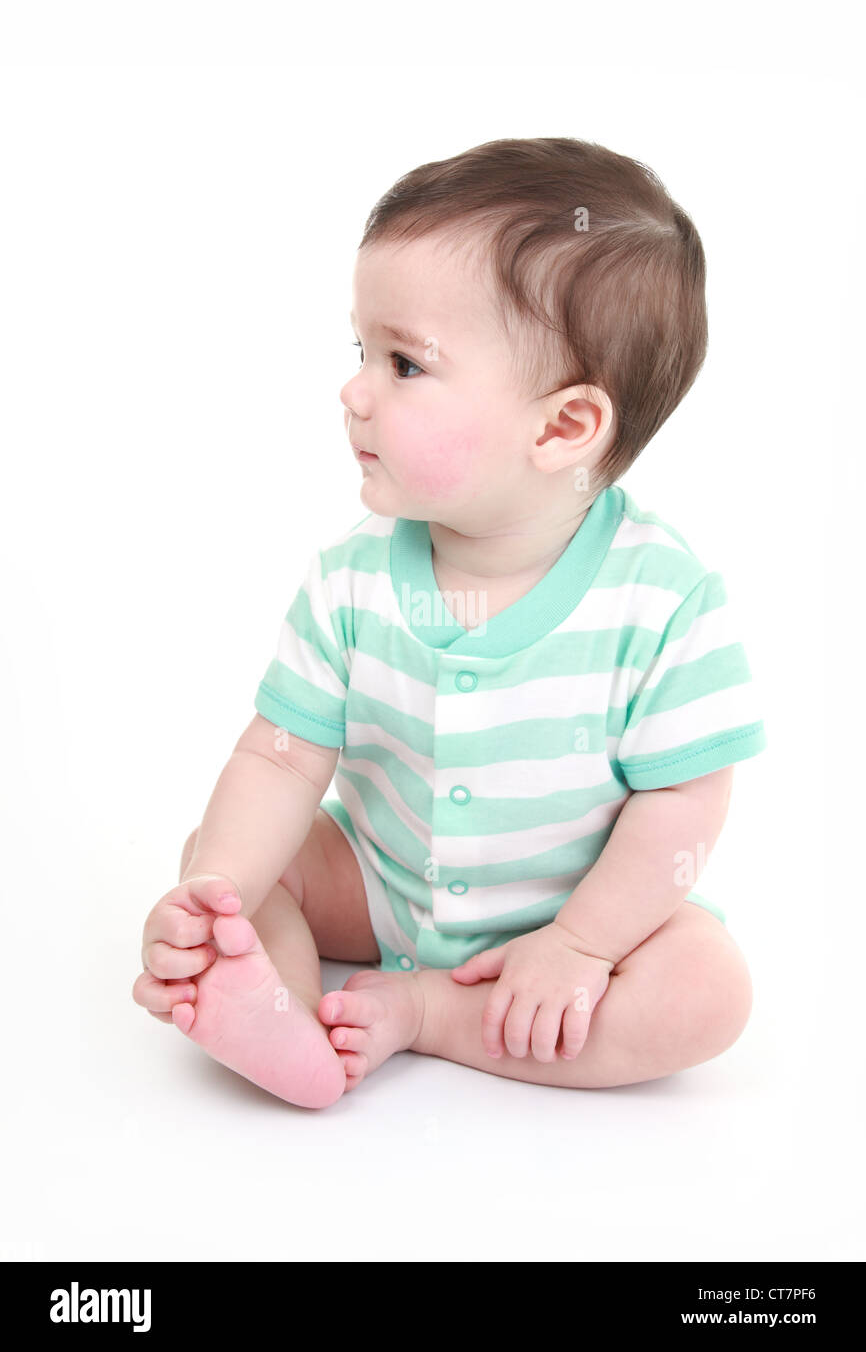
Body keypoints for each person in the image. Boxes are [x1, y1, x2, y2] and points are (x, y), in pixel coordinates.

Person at [133, 137, 767, 1108]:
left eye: (402, 363)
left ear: (560, 429)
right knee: (234, 862)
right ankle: (277, 1008)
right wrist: (212, 891)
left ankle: (434, 1015)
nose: (352, 392)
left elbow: (683, 804)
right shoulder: (349, 580)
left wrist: (582, 943)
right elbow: (278, 759)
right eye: (359, 352)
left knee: (707, 990)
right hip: (380, 883)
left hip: (572, 913)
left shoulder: (661, 601)